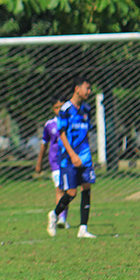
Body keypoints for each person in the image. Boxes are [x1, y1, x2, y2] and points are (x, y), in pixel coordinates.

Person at [46, 76, 97, 238]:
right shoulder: (66, 109)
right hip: (69, 157)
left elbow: (86, 132)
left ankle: (83, 229)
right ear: (77, 89)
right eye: (86, 88)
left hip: (85, 155)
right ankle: (54, 215)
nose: (89, 91)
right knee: (71, 193)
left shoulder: (87, 109)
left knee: (87, 187)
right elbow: (62, 134)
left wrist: (88, 154)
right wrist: (73, 155)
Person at [35, 99, 69, 229]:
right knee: (59, 188)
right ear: (53, 109)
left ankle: (63, 218)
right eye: (56, 107)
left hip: (68, 159)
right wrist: (39, 162)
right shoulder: (49, 124)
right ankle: (60, 218)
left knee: (68, 189)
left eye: (61, 107)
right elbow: (44, 144)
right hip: (55, 161)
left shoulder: (70, 122)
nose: (59, 110)